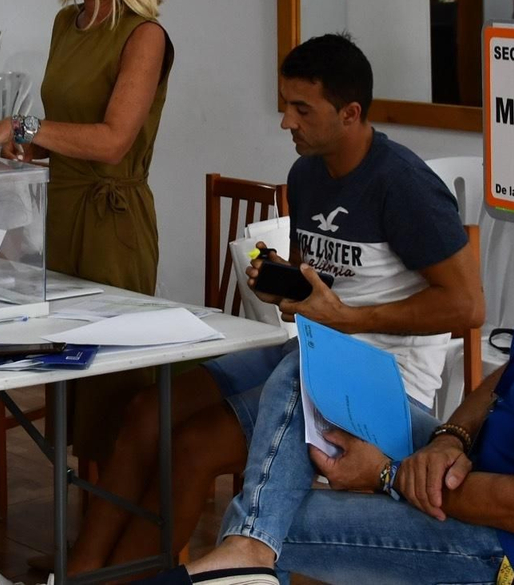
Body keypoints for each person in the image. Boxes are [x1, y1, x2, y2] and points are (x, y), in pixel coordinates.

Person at [42, 32, 483, 579]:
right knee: (144, 414)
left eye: (302, 109)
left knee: (192, 447)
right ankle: (77, 574)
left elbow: (467, 306)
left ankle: (134, 578)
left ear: (349, 113)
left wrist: (350, 320)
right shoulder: (306, 175)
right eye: (284, 106)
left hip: (381, 381)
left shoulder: (405, 186)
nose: (286, 123)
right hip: (312, 353)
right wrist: (285, 286)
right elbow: (312, 289)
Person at [134, 230, 514, 585]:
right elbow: (506, 381)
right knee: (311, 361)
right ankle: (247, 556)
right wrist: (451, 439)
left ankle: (248, 554)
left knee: (284, 517)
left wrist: (387, 477)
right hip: (478, 477)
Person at [0, 0, 173, 469]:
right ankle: (75, 529)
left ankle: (107, 534)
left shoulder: (143, 35)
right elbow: (68, 132)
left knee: (108, 377)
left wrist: (24, 123)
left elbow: (111, 141)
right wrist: (26, 152)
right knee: (67, 370)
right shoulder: (65, 22)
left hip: (112, 221)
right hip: (64, 206)